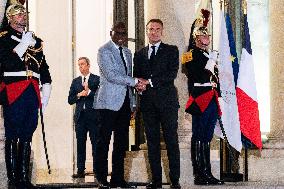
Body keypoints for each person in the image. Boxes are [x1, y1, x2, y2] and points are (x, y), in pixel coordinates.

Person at [0, 3, 52, 189]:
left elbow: (43, 67)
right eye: (18, 14)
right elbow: (8, 63)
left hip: (32, 90)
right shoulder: (4, 38)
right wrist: (23, 44)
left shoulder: (35, 40)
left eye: (24, 13)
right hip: (14, 89)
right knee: (13, 133)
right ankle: (13, 180)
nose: (23, 16)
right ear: (10, 18)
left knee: (28, 133)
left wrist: (46, 91)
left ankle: (23, 178)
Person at [93, 22, 144, 189]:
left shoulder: (128, 53)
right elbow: (111, 75)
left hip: (125, 103)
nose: (121, 37)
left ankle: (118, 179)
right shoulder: (104, 51)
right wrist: (136, 81)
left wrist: (133, 102)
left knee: (121, 143)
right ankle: (100, 179)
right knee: (103, 142)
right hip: (107, 103)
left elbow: (128, 78)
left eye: (124, 34)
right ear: (111, 33)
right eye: (118, 33)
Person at [133, 19, 181, 189]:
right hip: (147, 105)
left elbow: (171, 75)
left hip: (167, 103)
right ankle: (156, 181)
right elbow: (137, 76)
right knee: (152, 143)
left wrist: (149, 82)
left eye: (157, 29)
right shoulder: (139, 54)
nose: (153, 32)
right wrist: (139, 86)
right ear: (147, 31)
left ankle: (175, 181)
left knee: (171, 141)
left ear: (162, 31)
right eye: (150, 29)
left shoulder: (171, 50)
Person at [182, 9, 224, 185]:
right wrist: (211, 62)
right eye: (203, 36)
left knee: (207, 136)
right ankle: (199, 174)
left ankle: (207, 172)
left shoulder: (209, 55)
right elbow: (196, 75)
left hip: (212, 97)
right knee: (198, 135)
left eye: (207, 37)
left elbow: (216, 78)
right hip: (200, 97)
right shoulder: (189, 55)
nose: (207, 39)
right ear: (196, 38)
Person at [68, 57, 100, 178]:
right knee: (80, 144)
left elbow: (101, 96)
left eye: (82, 64)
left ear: (88, 65)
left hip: (94, 117)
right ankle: (80, 170)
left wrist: (89, 92)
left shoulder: (97, 79)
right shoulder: (75, 81)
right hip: (80, 118)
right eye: (79, 65)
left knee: (96, 143)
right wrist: (79, 94)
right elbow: (70, 100)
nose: (80, 67)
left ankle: (97, 170)